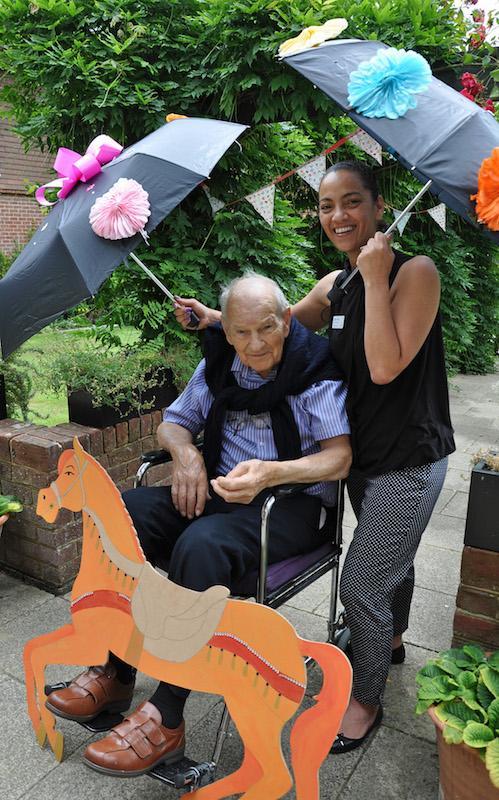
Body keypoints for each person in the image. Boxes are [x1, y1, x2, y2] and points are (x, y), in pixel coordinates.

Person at [174, 160, 455, 753]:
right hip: (360, 457)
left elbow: (384, 366)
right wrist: (218, 319)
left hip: (408, 458)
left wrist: (377, 278)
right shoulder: (337, 284)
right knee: (389, 562)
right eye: (327, 205)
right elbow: (279, 326)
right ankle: (394, 638)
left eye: (352, 202)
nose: (338, 216)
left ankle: (365, 698)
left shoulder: (415, 274)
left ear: (380, 208)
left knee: (363, 583)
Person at [47, 273, 351, 776]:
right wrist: (185, 453)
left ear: (288, 320)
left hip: (288, 505)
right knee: (119, 516)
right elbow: (173, 421)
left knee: (200, 547)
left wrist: (271, 474)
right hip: (217, 491)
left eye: (267, 329)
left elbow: (338, 459)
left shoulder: (312, 369)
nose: (255, 345)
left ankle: (166, 717)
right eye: (242, 332)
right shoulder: (219, 362)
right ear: (225, 331)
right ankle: (117, 668)